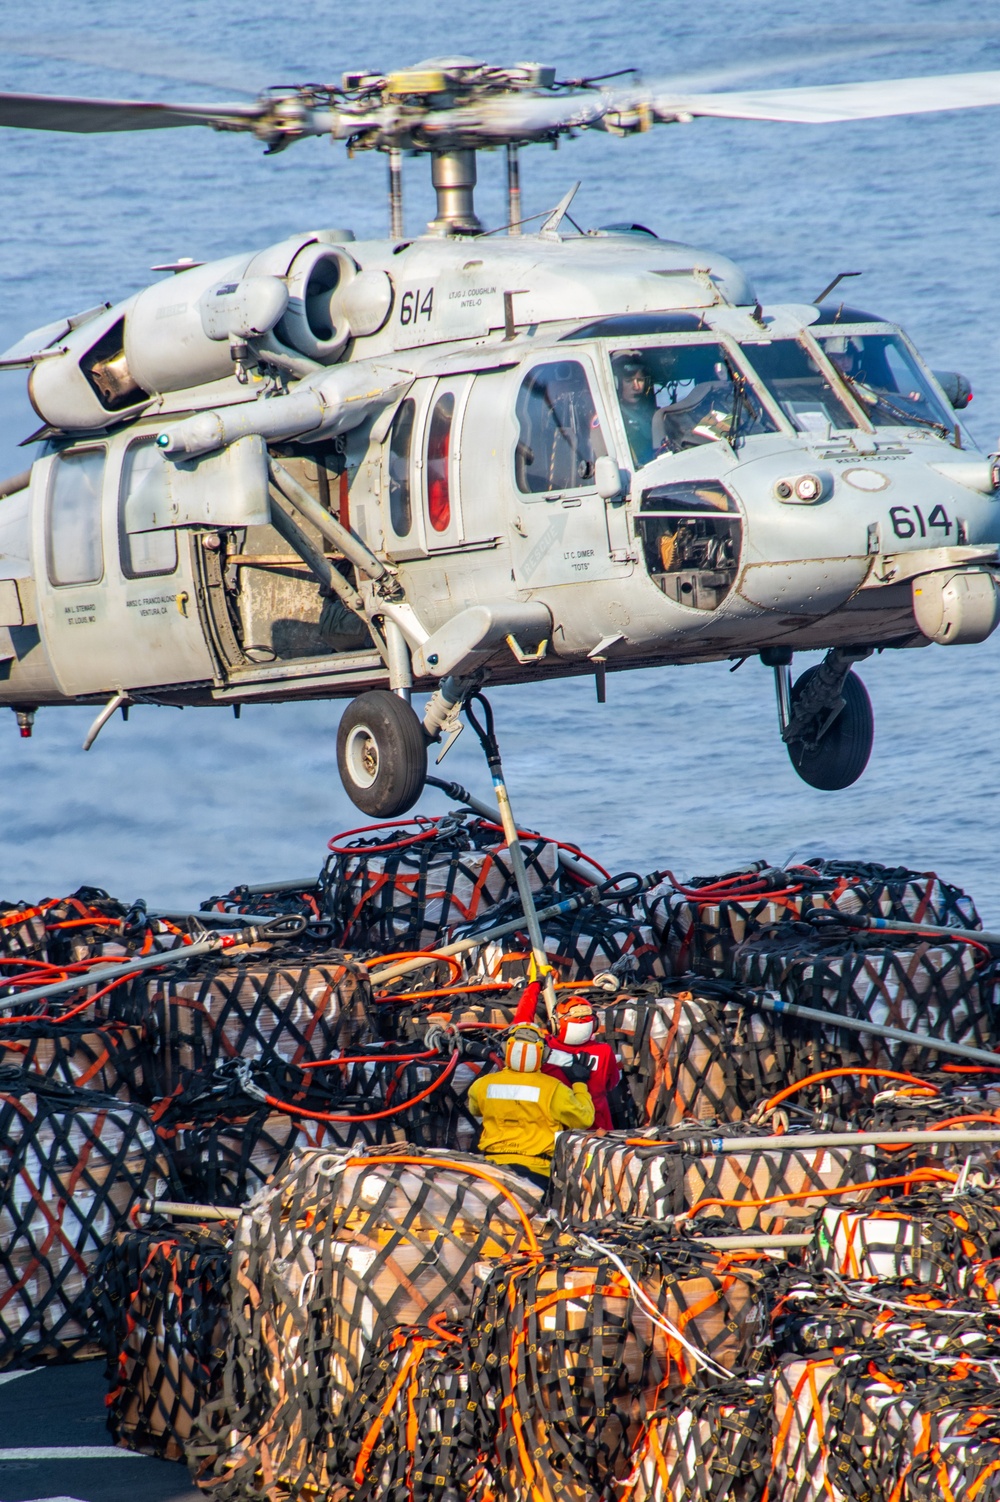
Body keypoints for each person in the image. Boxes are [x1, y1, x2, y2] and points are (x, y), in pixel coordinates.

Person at [466, 1021, 595, 1190]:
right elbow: (585, 1119)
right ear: (543, 1054)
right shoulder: (554, 1089)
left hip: (492, 1170)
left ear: (505, 1050)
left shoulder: (482, 1085)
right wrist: (579, 1082)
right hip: (537, 1173)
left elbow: (475, 1110)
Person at [542, 995, 631, 1130]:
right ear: (593, 1025)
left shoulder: (544, 1049)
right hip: (597, 1128)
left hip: (557, 1127)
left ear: (554, 1025)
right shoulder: (604, 1051)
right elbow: (611, 1083)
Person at [615, 353, 658, 465]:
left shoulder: (655, 414)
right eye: (628, 381)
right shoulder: (614, 418)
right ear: (617, 384)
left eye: (640, 380)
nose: (636, 387)